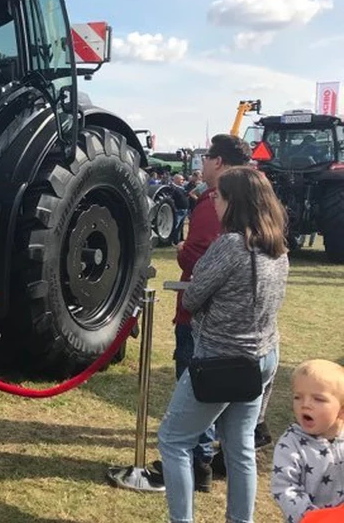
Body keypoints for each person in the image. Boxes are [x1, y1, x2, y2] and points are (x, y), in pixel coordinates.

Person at [158, 166, 289, 523]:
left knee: (173, 439)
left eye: (218, 195)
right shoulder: (278, 248)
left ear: (235, 202)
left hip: (221, 359)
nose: (213, 201)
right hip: (261, 356)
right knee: (239, 446)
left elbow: (193, 296)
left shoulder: (231, 245)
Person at [152, 135, 251, 491]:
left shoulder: (213, 204)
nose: (203, 163)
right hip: (243, 329)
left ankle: (197, 462)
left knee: (195, 394)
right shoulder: (254, 200)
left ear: (220, 162)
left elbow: (199, 258)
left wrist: (182, 249)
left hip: (203, 322)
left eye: (207, 156)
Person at [271, 359, 344, 523]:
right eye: (298, 397)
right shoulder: (291, 443)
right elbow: (284, 487)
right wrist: (312, 517)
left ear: (341, 410)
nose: (305, 404)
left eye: (318, 399)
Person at [170, 174, 189, 244]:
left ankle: (178, 239)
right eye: (181, 179)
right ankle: (172, 240)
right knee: (175, 226)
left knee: (180, 227)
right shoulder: (173, 188)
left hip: (184, 210)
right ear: (176, 179)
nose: (183, 181)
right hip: (178, 210)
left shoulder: (182, 188)